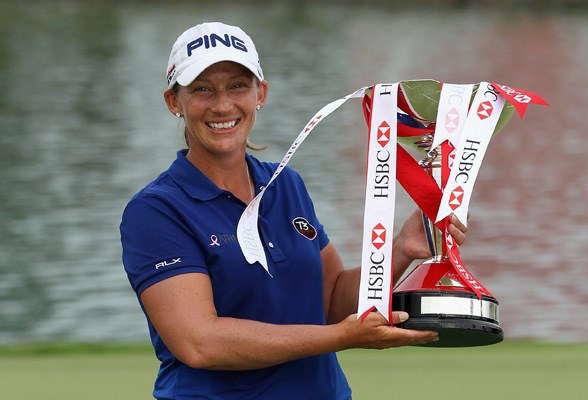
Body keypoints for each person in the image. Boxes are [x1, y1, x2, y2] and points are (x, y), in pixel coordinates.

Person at [120, 22, 468, 400]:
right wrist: (341, 338)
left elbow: (331, 300)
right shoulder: (156, 210)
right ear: (174, 102)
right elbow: (200, 343)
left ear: (261, 94)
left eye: (238, 86)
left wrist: (401, 248)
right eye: (202, 89)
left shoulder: (285, 183)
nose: (222, 105)